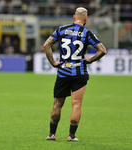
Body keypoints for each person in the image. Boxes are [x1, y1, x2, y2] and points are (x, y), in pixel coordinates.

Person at [43, 7, 107, 142]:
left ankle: (51, 134)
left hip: (63, 72)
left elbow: (46, 45)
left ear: (74, 17)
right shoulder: (87, 33)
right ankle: (71, 136)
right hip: (80, 72)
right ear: (86, 18)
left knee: (57, 104)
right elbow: (102, 50)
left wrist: (53, 62)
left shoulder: (61, 29)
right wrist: (90, 60)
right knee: (76, 104)